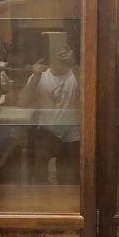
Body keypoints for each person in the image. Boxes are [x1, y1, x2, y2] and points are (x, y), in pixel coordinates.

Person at [18, 45, 80, 184]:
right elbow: (22, 102)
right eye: (56, 55)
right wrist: (35, 77)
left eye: (64, 54)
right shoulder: (41, 76)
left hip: (72, 134)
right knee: (40, 177)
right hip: (46, 131)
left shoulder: (75, 74)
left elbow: (90, 96)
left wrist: (74, 65)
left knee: (70, 180)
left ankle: (68, 203)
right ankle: (43, 202)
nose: (60, 58)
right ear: (49, 58)